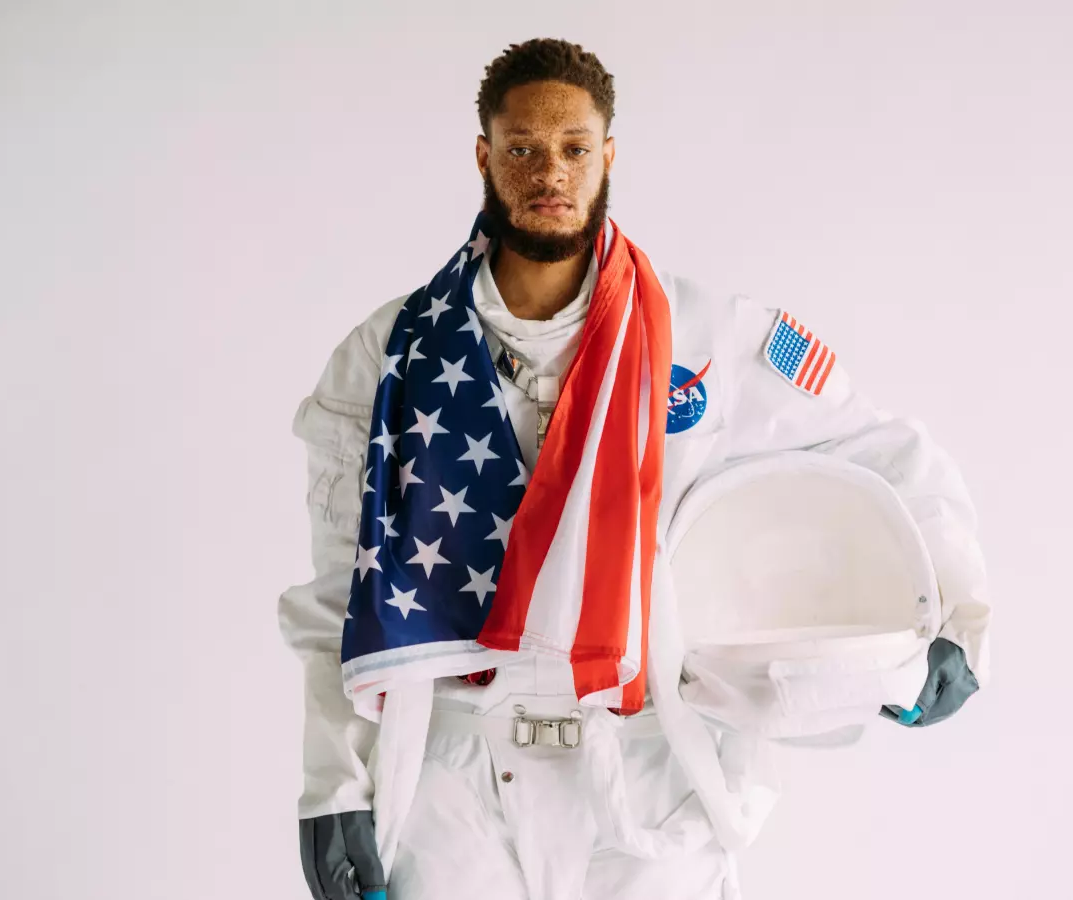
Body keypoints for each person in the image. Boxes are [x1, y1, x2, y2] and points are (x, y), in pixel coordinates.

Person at [279, 38, 991, 900]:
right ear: (484, 156)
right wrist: (334, 784)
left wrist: (957, 615)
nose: (551, 172)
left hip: (646, 763)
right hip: (457, 771)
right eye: (522, 149)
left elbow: (889, 452)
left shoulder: (705, 339)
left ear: (607, 154)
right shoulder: (389, 356)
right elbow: (336, 598)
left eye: (574, 148)